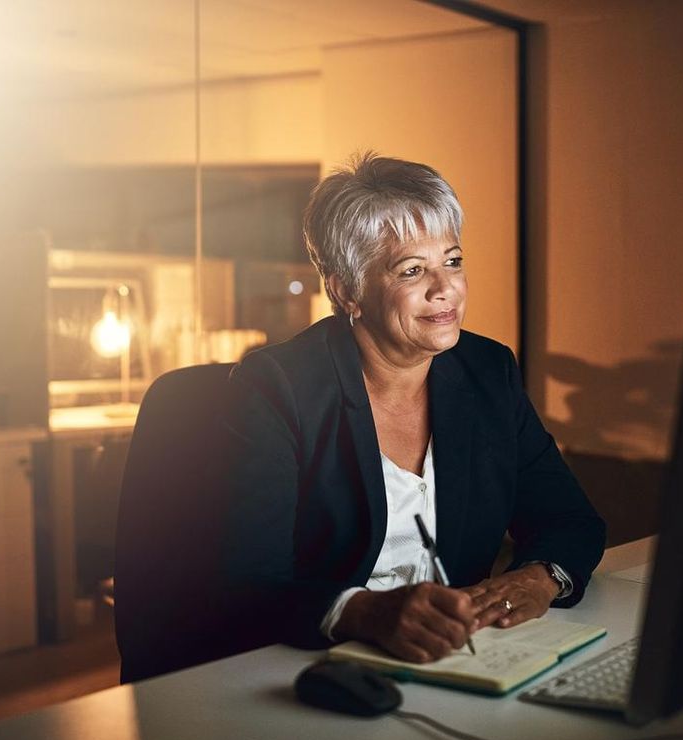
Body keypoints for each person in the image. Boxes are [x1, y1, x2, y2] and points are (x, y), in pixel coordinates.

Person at [219, 153, 605, 663]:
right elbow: (249, 578)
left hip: (461, 660)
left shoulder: (488, 371)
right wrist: (362, 612)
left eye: (453, 261)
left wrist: (541, 577)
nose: (446, 288)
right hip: (316, 663)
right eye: (412, 270)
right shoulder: (275, 389)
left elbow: (572, 520)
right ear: (346, 290)